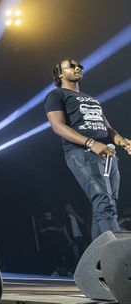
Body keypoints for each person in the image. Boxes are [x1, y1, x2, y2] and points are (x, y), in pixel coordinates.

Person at [45, 57, 131, 240]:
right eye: (72, 66)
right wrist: (91, 144)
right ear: (60, 73)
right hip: (82, 153)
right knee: (104, 203)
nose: (78, 68)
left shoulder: (91, 99)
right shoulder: (56, 95)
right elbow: (58, 126)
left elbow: (106, 128)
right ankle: (119, 259)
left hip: (107, 155)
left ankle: (98, 262)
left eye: (79, 66)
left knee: (107, 206)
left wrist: (121, 141)